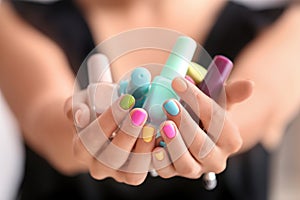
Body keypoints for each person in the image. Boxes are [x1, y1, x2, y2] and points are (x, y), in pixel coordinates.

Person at [0, 0, 299, 199]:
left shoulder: (287, 25)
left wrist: (218, 126)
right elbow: (44, 113)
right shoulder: (17, 18)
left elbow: (260, 107)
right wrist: (82, 129)